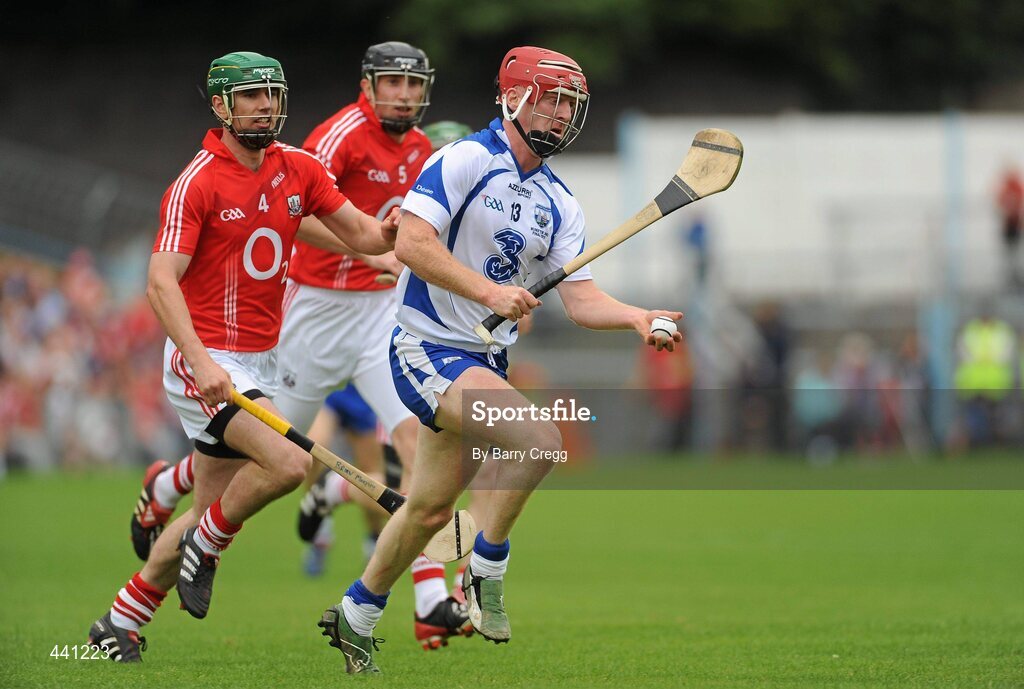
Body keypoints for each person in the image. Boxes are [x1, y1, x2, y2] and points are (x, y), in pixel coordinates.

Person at [317, 46, 684, 674]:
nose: (561, 112)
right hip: (426, 348)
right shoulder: (462, 159)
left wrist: (635, 318)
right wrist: (489, 293)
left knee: (428, 510)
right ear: (513, 97)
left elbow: (582, 298)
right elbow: (410, 241)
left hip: (484, 360)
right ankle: (484, 570)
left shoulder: (559, 202)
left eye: (570, 102)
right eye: (549, 97)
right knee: (538, 439)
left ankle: (355, 614)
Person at [87, 51, 397, 662]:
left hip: (261, 358)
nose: (265, 106)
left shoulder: (297, 170)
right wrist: (202, 362)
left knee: (208, 510)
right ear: (221, 106)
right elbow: (159, 282)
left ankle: (117, 624)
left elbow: (360, 233)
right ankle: (208, 543)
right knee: (286, 464)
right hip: (204, 360)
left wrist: (395, 235)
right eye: (251, 96)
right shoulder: (196, 182)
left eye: (273, 95)